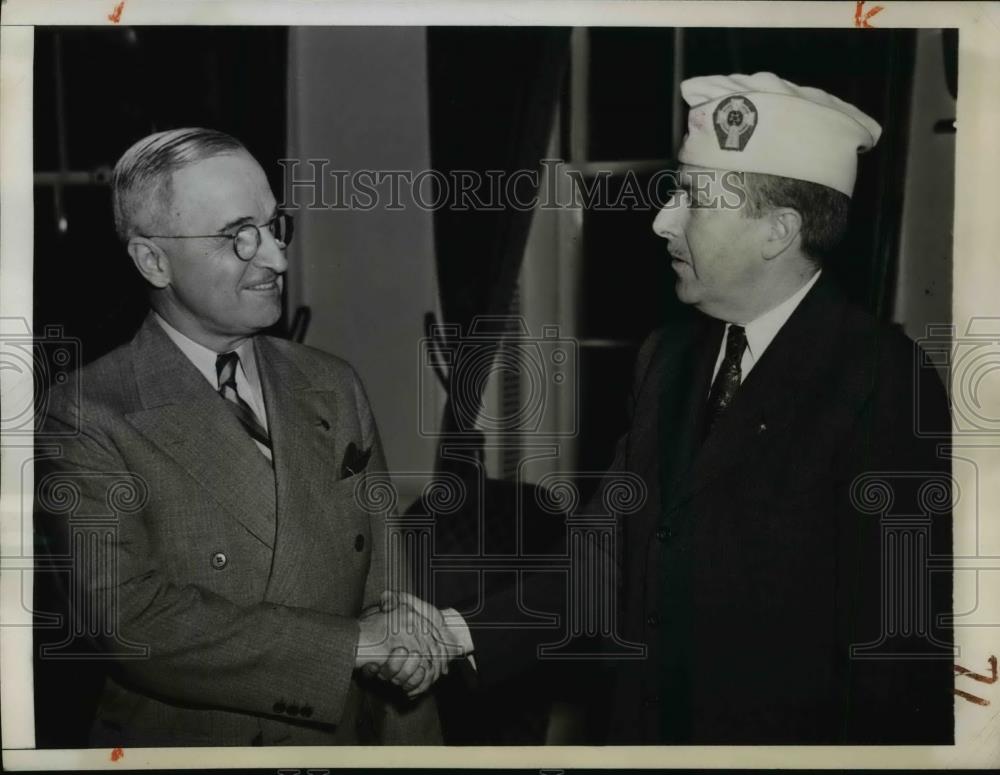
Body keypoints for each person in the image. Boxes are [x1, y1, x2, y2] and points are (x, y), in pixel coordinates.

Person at [377, 72, 954, 744]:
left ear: (778, 231)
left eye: (694, 199)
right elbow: (603, 557)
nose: (661, 220)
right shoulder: (667, 359)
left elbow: (899, 656)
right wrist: (454, 634)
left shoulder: (883, 379)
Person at [34, 128, 445, 746]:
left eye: (276, 226)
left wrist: (403, 641)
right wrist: (354, 644)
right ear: (154, 260)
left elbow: (384, 565)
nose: (278, 260)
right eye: (237, 237)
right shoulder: (88, 413)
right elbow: (131, 620)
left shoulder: (330, 382)